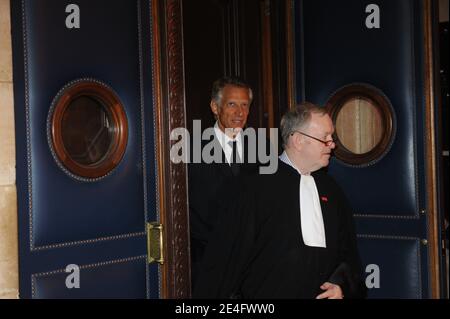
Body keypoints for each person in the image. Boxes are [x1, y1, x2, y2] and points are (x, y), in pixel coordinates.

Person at [198, 102, 366, 298]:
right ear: (298, 140)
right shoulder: (253, 187)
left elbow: (347, 255)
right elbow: (226, 261)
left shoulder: (333, 190)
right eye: (325, 138)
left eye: (332, 137)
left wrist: (342, 287)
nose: (332, 144)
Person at [188, 76, 267, 295]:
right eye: (232, 104)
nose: (240, 112)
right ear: (215, 107)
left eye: (245, 105)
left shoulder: (263, 148)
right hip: (207, 264)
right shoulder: (191, 148)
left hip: (252, 268)